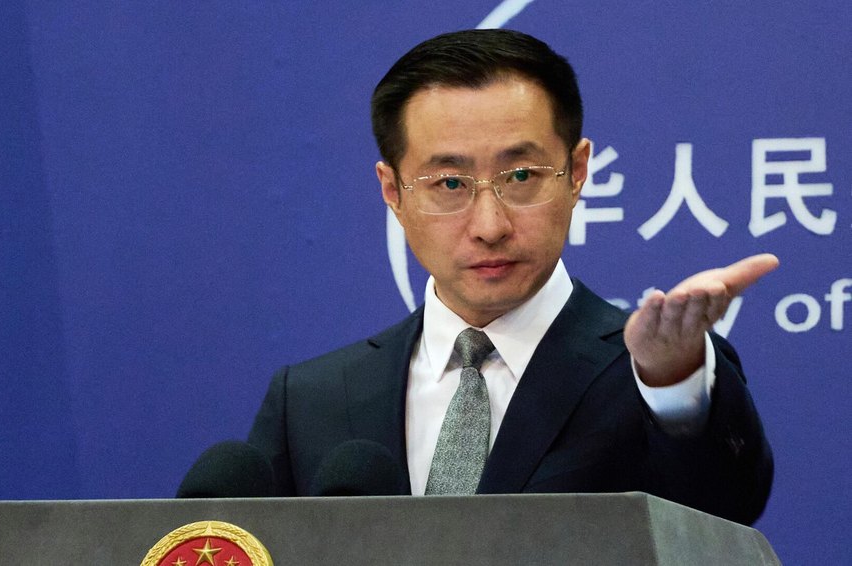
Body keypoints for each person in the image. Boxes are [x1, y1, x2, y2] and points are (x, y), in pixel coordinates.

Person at [247, 29, 774, 525]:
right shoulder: (311, 401)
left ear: (578, 171)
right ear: (393, 191)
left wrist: (672, 382)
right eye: (449, 183)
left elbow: (723, 512)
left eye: (521, 176)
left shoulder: (651, 373)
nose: (490, 226)